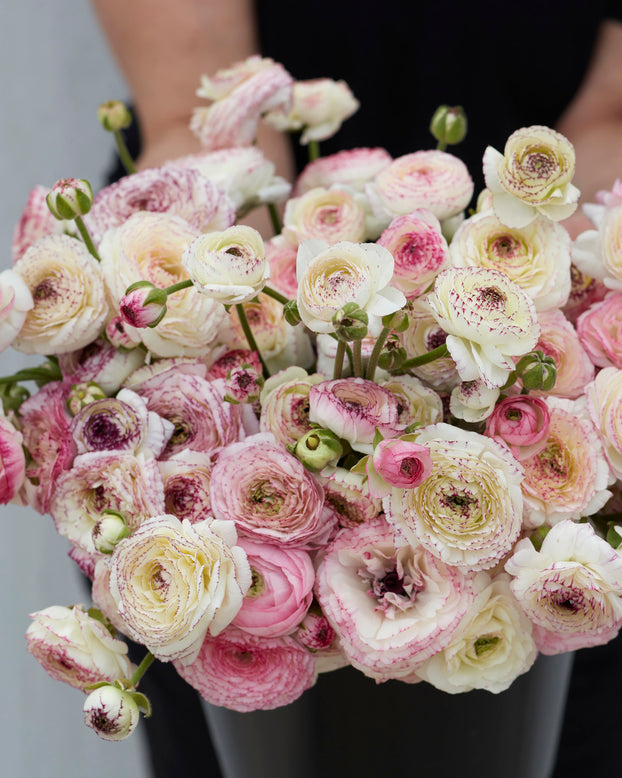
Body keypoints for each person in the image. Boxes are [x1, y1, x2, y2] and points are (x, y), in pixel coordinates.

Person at [91, 2, 622, 776]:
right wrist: (225, 320)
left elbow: (609, 120)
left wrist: (581, 294)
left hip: (552, 250)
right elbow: (191, 110)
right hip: (247, 234)